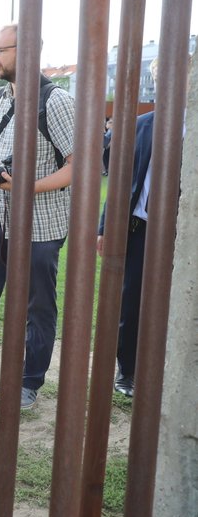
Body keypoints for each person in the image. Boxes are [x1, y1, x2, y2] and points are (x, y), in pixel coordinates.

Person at [0, 24, 75, 410]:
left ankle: (28, 382)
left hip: (41, 226)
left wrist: (24, 185)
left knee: (37, 306)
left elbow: (81, 166)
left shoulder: (57, 101)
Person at [96, 59, 162, 399]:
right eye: (160, 76)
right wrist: (105, 227)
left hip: (181, 237)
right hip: (139, 231)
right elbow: (120, 182)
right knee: (130, 303)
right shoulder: (140, 126)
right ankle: (128, 372)